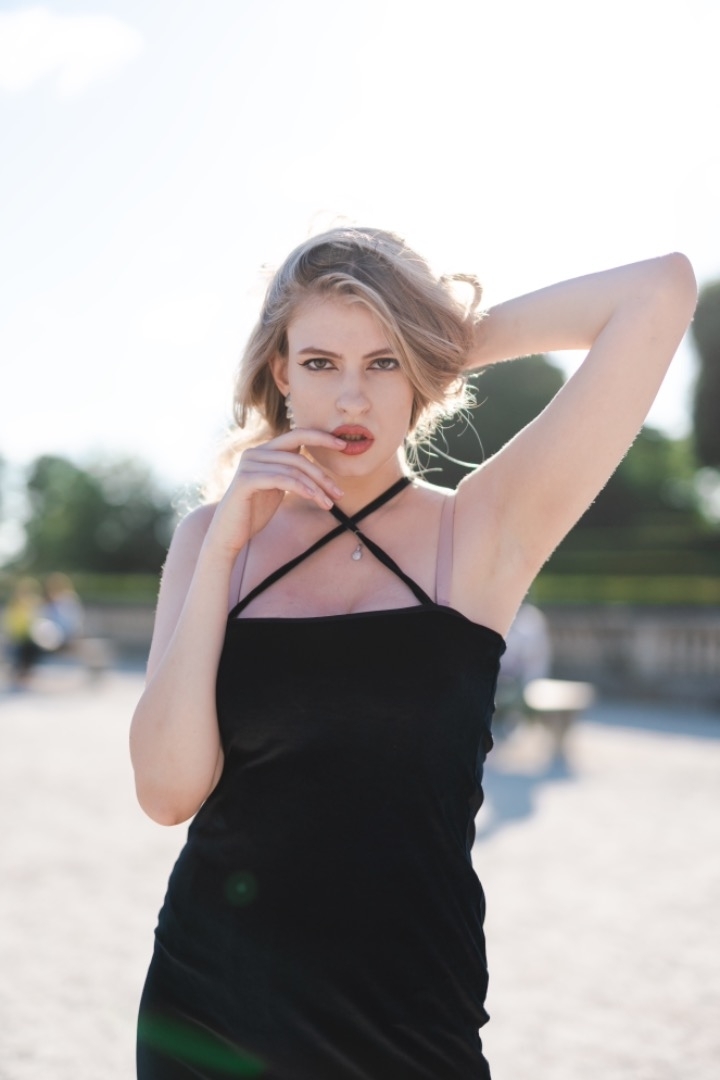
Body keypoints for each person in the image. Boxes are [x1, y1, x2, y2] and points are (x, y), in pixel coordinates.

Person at [130, 227, 696, 1079]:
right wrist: (220, 553)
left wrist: (433, 340)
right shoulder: (214, 541)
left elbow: (660, 292)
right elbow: (167, 792)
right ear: (281, 373)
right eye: (320, 363)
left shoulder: (479, 532)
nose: (351, 397)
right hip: (207, 1019)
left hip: (408, 1029)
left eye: (382, 363)